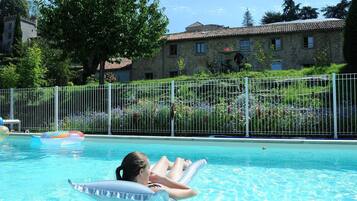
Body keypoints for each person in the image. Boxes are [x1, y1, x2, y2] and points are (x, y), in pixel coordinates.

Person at [116, 152, 197, 200]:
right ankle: (181, 162)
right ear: (141, 172)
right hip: (159, 182)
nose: (150, 171)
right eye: (148, 168)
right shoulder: (155, 191)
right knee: (173, 171)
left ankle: (168, 162)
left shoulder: (119, 186)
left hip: (146, 180)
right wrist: (163, 180)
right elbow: (193, 192)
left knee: (164, 159)